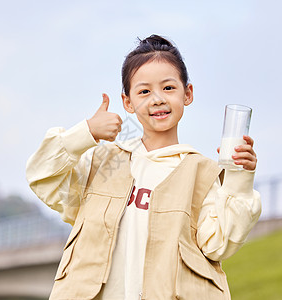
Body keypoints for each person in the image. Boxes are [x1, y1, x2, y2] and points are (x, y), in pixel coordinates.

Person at [26, 34, 261, 300]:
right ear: (127, 102)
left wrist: (240, 177)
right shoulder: (103, 162)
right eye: (144, 91)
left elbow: (219, 244)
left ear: (188, 93)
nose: (157, 99)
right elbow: (42, 176)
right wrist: (86, 133)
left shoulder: (201, 174)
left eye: (169, 88)